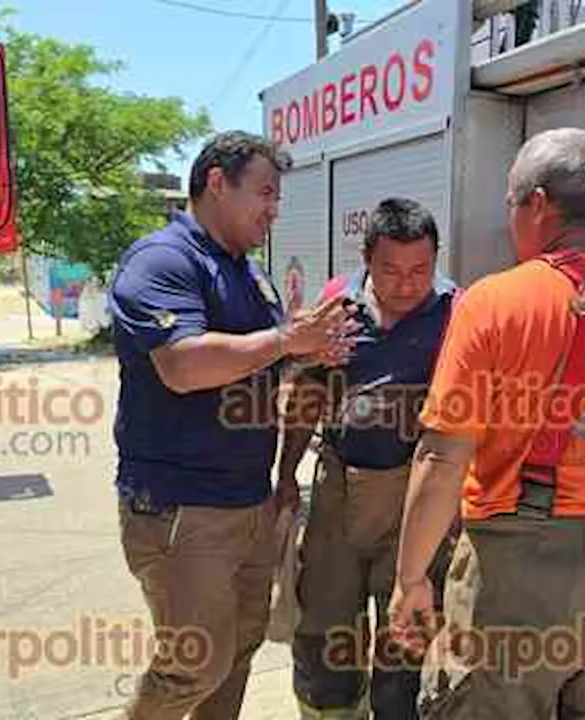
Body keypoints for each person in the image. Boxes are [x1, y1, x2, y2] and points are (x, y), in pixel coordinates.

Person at [387, 127, 585, 719]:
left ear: (537, 204)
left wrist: (411, 578)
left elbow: (442, 459)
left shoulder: (492, 305)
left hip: (511, 581)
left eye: (512, 205)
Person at [108, 129, 357, 720]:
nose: (274, 209)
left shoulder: (248, 273)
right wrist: (282, 339)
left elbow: (259, 362)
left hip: (248, 502)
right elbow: (184, 365)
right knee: (193, 663)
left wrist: (307, 352)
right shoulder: (164, 260)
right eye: (265, 193)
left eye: (278, 198)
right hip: (182, 509)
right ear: (216, 183)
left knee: (239, 650)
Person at [277, 197, 459, 719]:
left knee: (407, 640)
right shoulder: (337, 304)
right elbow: (309, 392)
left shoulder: (456, 312)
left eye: (420, 270)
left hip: (417, 498)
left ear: (436, 258)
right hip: (337, 491)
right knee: (324, 632)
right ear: (365, 257)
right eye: (390, 270)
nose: (406, 284)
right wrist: (286, 475)